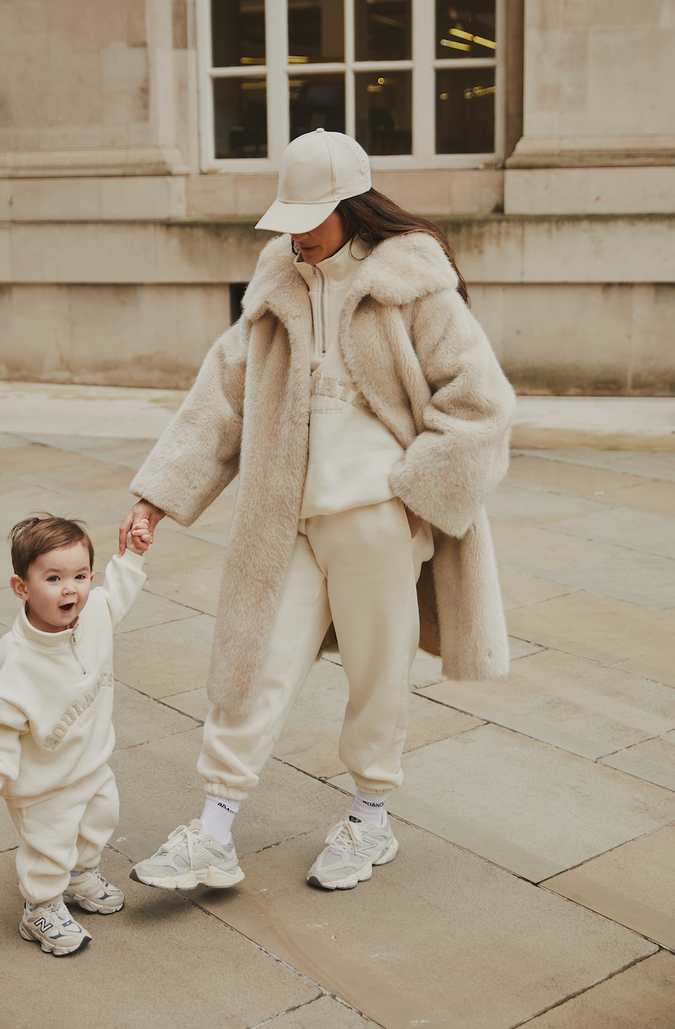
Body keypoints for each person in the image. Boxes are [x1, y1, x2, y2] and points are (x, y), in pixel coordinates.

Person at [120, 129, 515, 893]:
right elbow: (222, 397)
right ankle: (212, 832)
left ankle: (370, 819)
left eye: (315, 213)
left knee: (377, 675)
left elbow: (482, 405)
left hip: (379, 518)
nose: (299, 230)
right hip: (285, 518)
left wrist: (417, 497)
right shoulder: (277, 284)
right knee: (252, 664)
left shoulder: (412, 283)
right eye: (291, 215)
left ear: (351, 204)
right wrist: (156, 497)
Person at [0, 514, 149, 955]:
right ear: (21, 588)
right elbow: (0, 724)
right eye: (54, 578)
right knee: (49, 846)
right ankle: (40, 906)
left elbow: (118, 592)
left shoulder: (95, 615)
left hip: (91, 763)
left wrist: (134, 555)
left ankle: (80, 875)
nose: (72, 588)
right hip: (42, 784)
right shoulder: (15, 658)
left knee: (97, 822)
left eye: (81, 575)